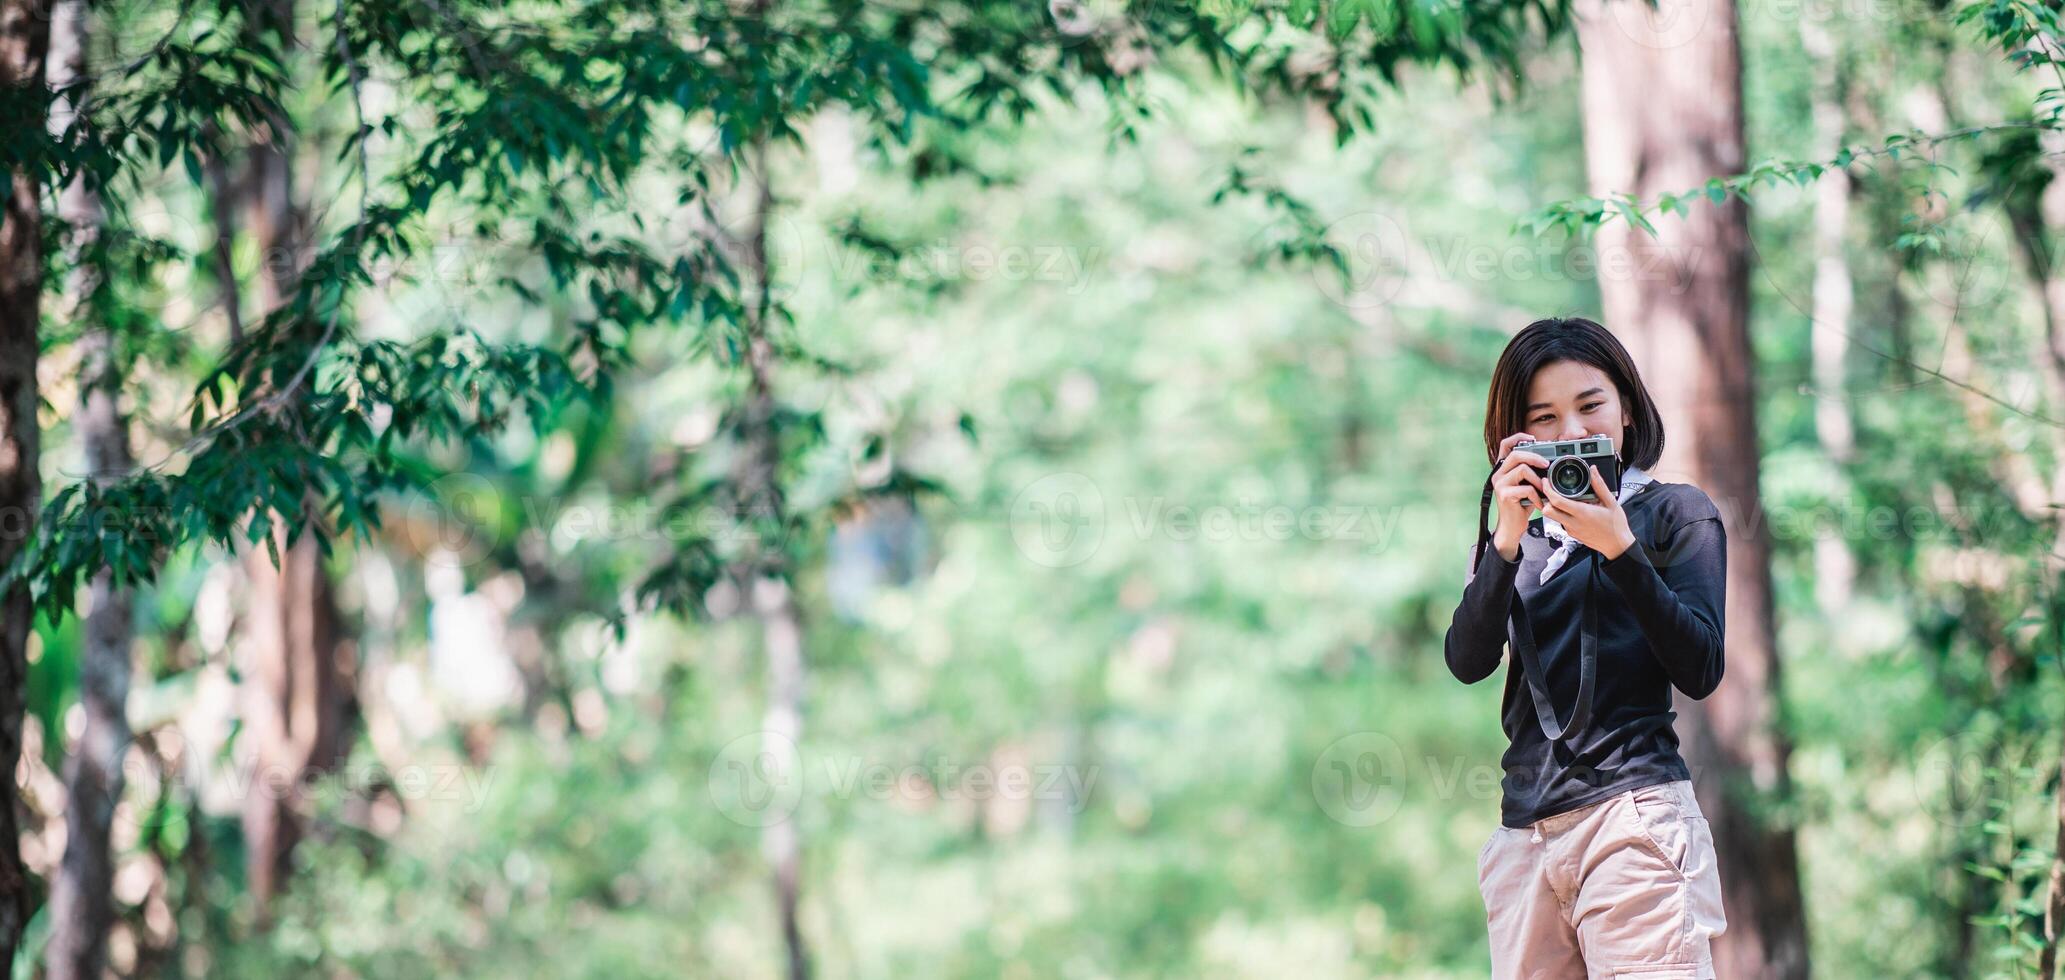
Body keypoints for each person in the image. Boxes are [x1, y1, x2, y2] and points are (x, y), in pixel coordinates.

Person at [1444, 316, 1729, 979]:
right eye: (1542, 416)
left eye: (1590, 404)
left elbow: (1701, 666)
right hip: (1524, 839)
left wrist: (1620, 551)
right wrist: (1507, 541)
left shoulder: (1673, 515)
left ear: (1626, 407)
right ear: (1513, 435)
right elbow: (1467, 660)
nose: (1570, 432)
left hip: (1634, 821)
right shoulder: (1512, 536)